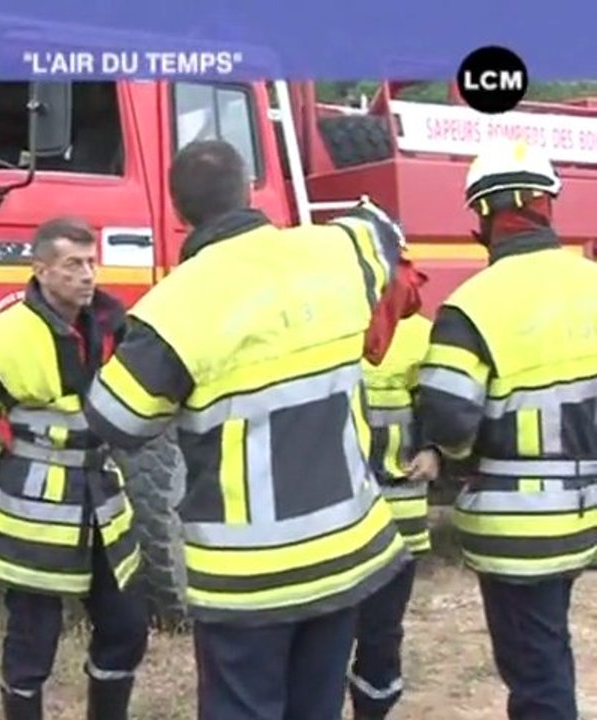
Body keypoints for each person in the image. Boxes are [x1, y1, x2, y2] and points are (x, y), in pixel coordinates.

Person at [82, 139, 412, 720]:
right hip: (343, 552)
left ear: (179, 210)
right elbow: (382, 226)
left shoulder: (175, 306)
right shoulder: (336, 251)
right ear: (249, 187)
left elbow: (116, 419)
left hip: (249, 577)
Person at [409, 139, 597, 720]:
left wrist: (450, 452)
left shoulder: (470, 307)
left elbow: (448, 419)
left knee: (538, 671)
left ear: (481, 219)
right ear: (550, 208)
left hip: (523, 528)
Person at [0, 217, 149, 720]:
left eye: (91, 262)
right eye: (72, 264)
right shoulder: (4, 337)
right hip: (35, 507)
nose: (87, 275)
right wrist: (12, 465)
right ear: (41, 271)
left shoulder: (116, 325)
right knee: (33, 640)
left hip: (103, 499)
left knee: (126, 627)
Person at [349, 309, 433, 720]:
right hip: (333, 523)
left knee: (380, 634)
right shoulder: (323, 326)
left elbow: (441, 406)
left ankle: (373, 710)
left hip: (398, 517)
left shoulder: (420, 335)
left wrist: (434, 450)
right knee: (323, 642)